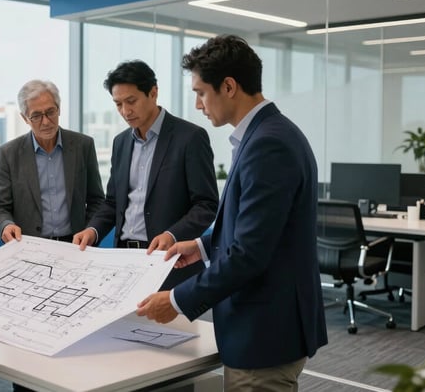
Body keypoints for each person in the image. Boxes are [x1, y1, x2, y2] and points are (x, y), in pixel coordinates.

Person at [136, 35, 328, 391]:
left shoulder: (268, 144)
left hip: (265, 333)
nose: (197, 105)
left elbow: (250, 254)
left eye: (201, 92)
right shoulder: (266, 134)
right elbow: (257, 227)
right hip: (267, 325)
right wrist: (202, 245)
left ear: (228, 86)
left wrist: (177, 301)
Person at [73, 60, 218, 289]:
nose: (125, 111)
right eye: (118, 104)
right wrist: (93, 230)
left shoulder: (190, 138)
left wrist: (172, 234)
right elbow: (113, 202)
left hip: (171, 261)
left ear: (153, 92)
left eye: (131, 101)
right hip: (124, 263)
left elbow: (206, 204)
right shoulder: (120, 142)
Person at [0, 79, 104, 243]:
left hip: (75, 245)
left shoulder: (83, 146)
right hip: (30, 245)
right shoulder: (9, 154)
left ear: (59, 109)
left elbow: (96, 200)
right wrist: (6, 225)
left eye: (50, 112)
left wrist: (89, 231)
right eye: (36, 116)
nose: (46, 122)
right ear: (25, 118)